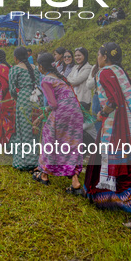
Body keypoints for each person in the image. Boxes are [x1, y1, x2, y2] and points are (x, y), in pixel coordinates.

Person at [83, 42, 131, 230]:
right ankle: (107, 198)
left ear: (104, 56)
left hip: (113, 127)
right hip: (122, 126)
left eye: (98, 54)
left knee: (116, 166)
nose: (97, 57)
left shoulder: (104, 72)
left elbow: (113, 100)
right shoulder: (119, 70)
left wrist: (102, 113)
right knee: (113, 161)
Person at [32, 53, 85, 194]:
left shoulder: (46, 80)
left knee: (49, 138)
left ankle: (44, 175)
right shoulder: (61, 78)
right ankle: (75, 182)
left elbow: (53, 104)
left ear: (41, 66)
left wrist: (43, 113)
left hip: (62, 112)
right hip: (76, 112)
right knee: (71, 143)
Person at [8, 47, 40, 171]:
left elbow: (12, 89)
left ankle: (23, 162)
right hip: (37, 98)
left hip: (24, 99)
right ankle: (34, 159)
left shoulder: (15, 69)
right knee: (34, 129)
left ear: (16, 57)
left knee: (23, 130)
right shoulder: (36, 68)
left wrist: (17, 97)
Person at [0, 49, 15, 144]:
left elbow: (4, 86)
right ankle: (11, 141)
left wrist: (0, 98)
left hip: (5, 98)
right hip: (13, 96)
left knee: (4, 120)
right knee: (11, 119)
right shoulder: (11, 67)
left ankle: (6, 142)